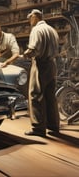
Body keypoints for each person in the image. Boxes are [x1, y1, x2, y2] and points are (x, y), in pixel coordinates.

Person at [23, 9, 60, 137]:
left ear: (35, 16)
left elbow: (34, 49)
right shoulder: (52, 30)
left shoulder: (36, 30)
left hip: (41, 64)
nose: (30, 21)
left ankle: (38, 128)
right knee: (50, 96)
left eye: (30, 18)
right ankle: (54, 126)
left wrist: (26, 54)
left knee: (35, 95)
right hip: (52, 64)